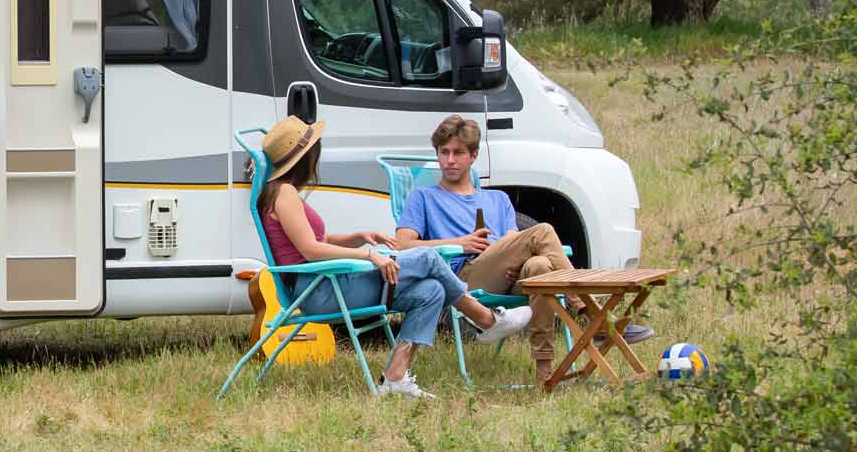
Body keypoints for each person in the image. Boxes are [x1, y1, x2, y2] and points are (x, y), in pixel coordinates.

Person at [256, 116, 529, 399]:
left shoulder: (281, 193)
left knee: (431, 291)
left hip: (324, 283)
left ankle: (396, 378)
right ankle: (485, 319)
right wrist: (369, 254)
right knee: (427, 258)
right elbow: (310, 251)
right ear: (306, 158)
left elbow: (314, 241)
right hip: (319, 290)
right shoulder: (285, 194)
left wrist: (357, 236)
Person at [392, 115, 653, 386]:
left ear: (473, 155)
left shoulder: (498, 199)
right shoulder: (424, 197)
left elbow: (513, 240)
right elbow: (402, 244)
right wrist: (461, 243)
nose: (449, 160)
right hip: (465, 279)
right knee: (543, 231)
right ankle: (593, 316)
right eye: (443, 152)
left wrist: (509, 256)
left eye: (458, 153)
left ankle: (545, 373)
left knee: (539, 267)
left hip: (508, 273)